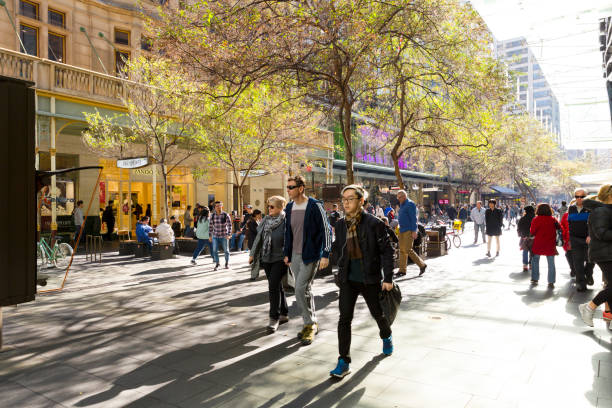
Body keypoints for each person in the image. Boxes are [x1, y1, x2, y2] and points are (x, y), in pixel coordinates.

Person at [329, 185, 395, 378]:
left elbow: (387, 251)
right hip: (348, 278)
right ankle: (343, 360)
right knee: (344, 319)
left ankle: (386, 335)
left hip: (370, 278)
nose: (346, 202)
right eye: (344, 199)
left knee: (378, 313)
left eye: (351, 198)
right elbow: (338, 247)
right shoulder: (341, 224)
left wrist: (388, 278)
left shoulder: (374, 223)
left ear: (361, 201)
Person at [284, 175, 332, 346]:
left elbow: (327, 230)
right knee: (305, 289)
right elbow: (288, 232)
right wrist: (287, 253)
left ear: (301, 188)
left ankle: (309, 325)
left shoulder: (314, 205)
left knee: (299, 289)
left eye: (291, 187)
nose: (288, 190)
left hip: (310, 255)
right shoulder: (289, 207)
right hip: (295, 256)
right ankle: (311, 322)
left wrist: (325, 253)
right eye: (287, 187)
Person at [250, 196, 289, 333]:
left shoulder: (286, 220)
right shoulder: (265, 220)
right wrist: (252, 254)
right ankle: (284, 312)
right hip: (266, 258)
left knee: (272, 286)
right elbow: (259, 238)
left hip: (280, 259)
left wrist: (288, 255)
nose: (269, 209)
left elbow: (291, 239)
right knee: (277, 285)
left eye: (272, 207)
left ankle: (274, 318)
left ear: (280, 207)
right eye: (268, 206)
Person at [578, 185, 612, 328]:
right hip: (604, 253)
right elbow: (602, 233)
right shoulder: (600, 211)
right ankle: (590, 307)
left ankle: (597, 309)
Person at [568, 188, 595, 292]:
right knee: (577, 262)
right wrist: (569, 238)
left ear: (586, 196)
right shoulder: (571, 208)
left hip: (589, 239)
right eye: (577, 196)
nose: (579, 199)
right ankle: (581, 283)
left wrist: (590, 235)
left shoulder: (591, 208)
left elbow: (594, 224)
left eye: (582, 196)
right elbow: (570, 223)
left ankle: (589, 274)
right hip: (575, 238)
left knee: (590, 260)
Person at [396, 190, 426, 277]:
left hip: (409, 230)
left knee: (408, 249)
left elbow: (414, 218)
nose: (398, 199)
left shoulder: (410, 204)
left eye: (399, 197)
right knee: (402, 250)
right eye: (397, 197)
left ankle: (422, 265)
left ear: (404, 196)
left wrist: (414, 230)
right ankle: (402, 270)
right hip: (401, 229)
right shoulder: (402, 204)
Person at [529, 204, 559, 288]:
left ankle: (535, 278)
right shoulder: (553, 219)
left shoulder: (536, 219)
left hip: (538, 243)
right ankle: (551, 281)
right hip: (550, 243)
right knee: (551, 263)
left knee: (535, 260)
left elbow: (532, 231)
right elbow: (559, 227)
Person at [209, 201, 232, 270]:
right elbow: (210, 226)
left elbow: (229, 225)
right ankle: (217, 263)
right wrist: (210, 236)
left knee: (226, 251)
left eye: (220, 205)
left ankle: (226, 263)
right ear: (215, 207)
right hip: (215, 236)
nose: (218, 207)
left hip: (224, 236)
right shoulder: (212, 215)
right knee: (215, 250)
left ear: (222, 206)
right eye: (217, 206)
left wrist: (229, 234)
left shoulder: (225, 215)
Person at [517, 205, 535, 272]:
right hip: (533, 238)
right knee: (532, 252)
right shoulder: (535, 218)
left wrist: (520, 235)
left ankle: (525, 265)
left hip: (524, 237)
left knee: (525, 251)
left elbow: (519, 227)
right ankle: (531, 264)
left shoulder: (523, 218)